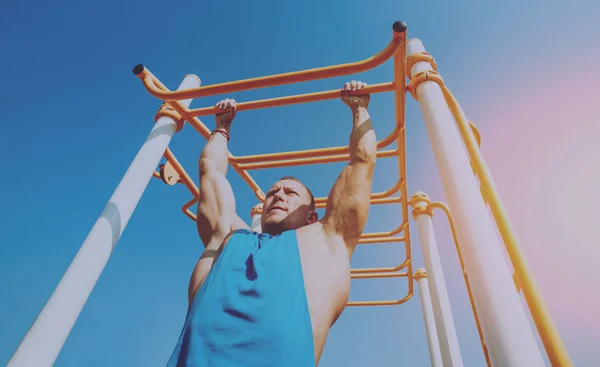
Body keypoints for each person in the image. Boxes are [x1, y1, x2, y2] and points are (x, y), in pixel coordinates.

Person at [167, 80, 376, 367]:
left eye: (290, 193)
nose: (278, 196)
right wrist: (222, 128)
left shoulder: (325, 240)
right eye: (272, 193)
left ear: (311, 216)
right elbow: (210, 170)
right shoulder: (229, 236)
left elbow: (362, 161)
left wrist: (359, 109)